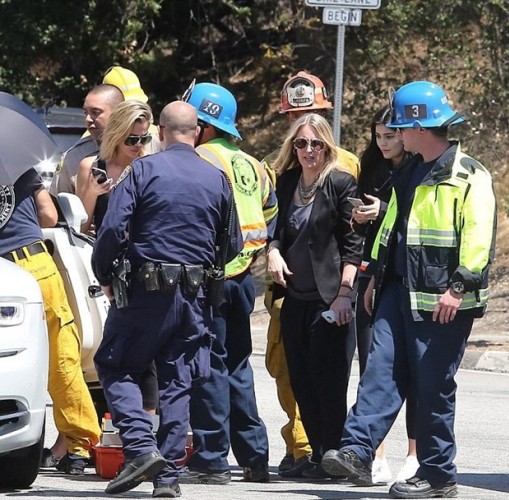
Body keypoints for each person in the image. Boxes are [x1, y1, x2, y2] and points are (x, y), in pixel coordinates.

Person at [321, 81, 497, 499]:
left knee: (433, 387)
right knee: (379, 373)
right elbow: (391, 228)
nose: (397, 134)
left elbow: (478, 238)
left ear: (420, 128)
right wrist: (373, 277)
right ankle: (356, 451)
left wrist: (458, 287)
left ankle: (438, 476)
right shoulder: (409, 171)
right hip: (396, 292)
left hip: (443, 302)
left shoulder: (470, 175)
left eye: (401, 127)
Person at [91, 100, 242, 497]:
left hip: (146, 291)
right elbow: (233, 244)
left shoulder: (143, 169)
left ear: (161, 130)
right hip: (195, 296)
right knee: (178, 380)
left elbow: (111, 230)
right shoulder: (217, 178)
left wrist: (105, 273)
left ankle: (141, 448)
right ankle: (168, 478)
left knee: (115, 363)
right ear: (197, 132)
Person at [180, 82, 278, 484]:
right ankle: (255, 458)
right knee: (238, 365)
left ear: (201, 124)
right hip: (243, 280)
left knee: (209, 368)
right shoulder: (250, 162)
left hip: (211, 278)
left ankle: (212, 458)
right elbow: (270, 210)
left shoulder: (201, 159)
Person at [264, 70, 361, 477]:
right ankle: (317, 454)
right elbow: (274, 230)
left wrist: (344, 294)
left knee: (329, 383)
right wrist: (271, 252)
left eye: (316, 143)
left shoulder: (341, 180)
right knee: (301, 382)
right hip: (293, 297)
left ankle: (334, 455)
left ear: (327, 145)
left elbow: (354, 243)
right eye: (301, 142)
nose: (308, 150)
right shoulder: (284, 181)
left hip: (329, 297)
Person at [0, 169, 101, 475]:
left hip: (5, 272)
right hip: (35, 265)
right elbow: (48, 214)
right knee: (62, 359)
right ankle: (79, 447)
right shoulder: (17, 163)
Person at [352, 105, 418, 485]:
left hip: (408, 277)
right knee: (373, 366)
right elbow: (359, 230)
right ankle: (375, 454)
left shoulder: (417, 169)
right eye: (378, 136)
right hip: (372, 273)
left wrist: (384, 211)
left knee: (415, 373)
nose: (384, 143)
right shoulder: (371, 166)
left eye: (391, 135)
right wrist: (360, 217)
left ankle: (414, 454)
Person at [50, 84, 124, 195]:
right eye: (86, 113)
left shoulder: (143, 147)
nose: (88, 119)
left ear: (118, 114)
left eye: (95, 112)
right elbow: (58, 204)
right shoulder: (73, 157)